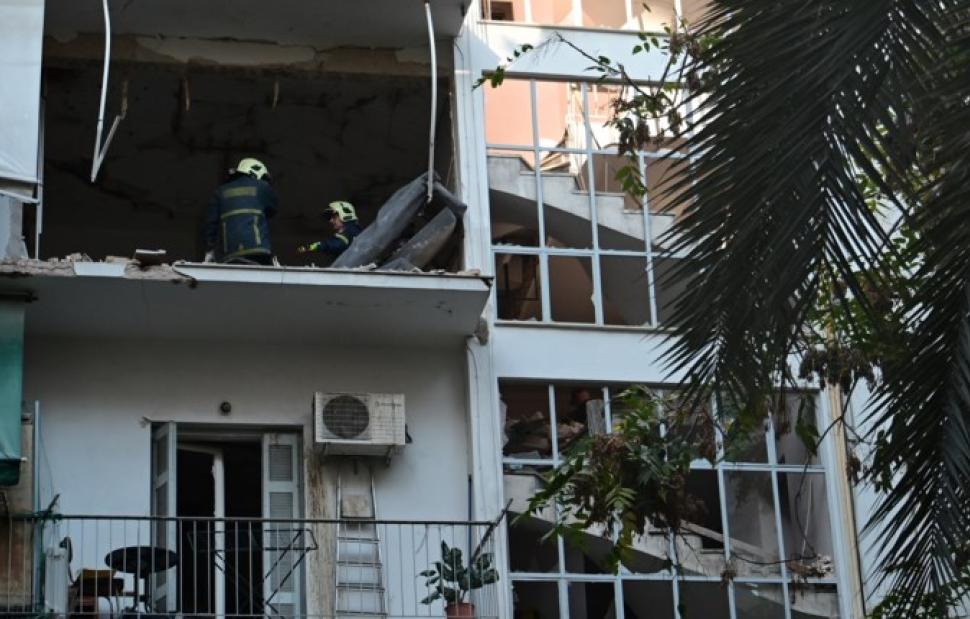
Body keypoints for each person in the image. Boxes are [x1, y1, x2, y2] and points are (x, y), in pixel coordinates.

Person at [204, 157, 278, 265]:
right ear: (256, 173)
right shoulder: (263, 187)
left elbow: (210, 225)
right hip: (259, 251)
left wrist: (209, 251)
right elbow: (273, 209)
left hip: (230, 253)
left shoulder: (220, 192)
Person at [297, 201, 362, 258]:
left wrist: (314, 246)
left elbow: (337, 244)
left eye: (334, 217)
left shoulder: (351, 231)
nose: (331, 221)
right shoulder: (354, 230)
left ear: (344, 215)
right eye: (330, 218)